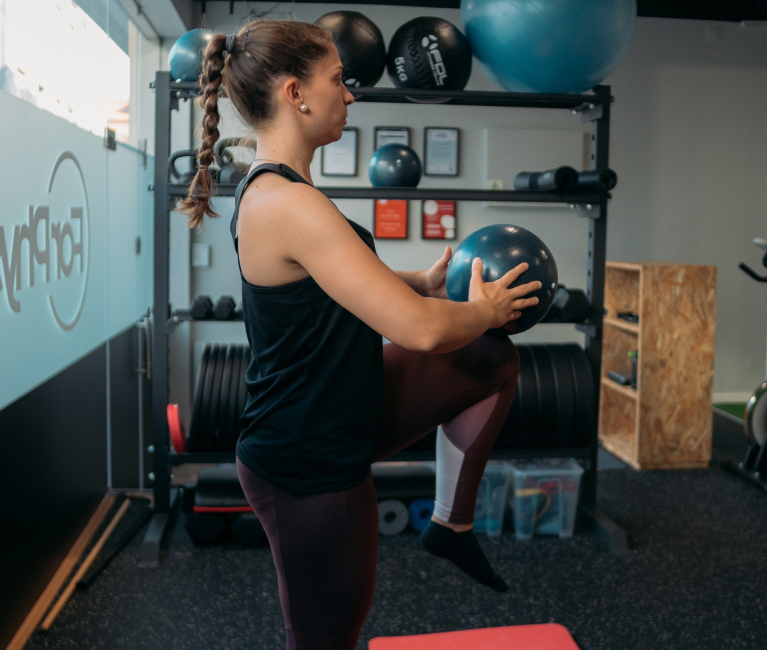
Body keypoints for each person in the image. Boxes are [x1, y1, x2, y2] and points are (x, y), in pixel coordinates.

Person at [177, 19, 541, 650]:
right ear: (296, 94)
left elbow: (329, 280)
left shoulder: (286, 190)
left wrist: (421, 281)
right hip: (306, 461)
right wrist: (484, 306)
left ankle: (449, 526)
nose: (350, 94)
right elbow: (423, 335)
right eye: (338, 80)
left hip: (342, 408)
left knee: (488, 359)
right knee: (324, 638)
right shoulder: (287, 202)